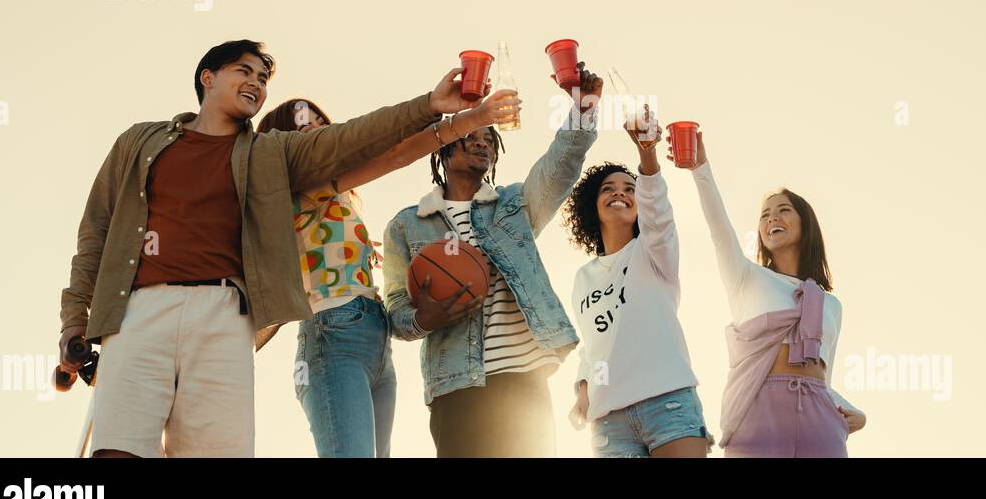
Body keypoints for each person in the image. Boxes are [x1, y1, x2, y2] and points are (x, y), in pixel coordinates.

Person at [57, 39, 479, 457]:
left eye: (263, 78)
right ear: (208, 77)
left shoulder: (269, 156)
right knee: (117, 452)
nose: (256, 84)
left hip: (230, 314)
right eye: (244, 71)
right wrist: (74, 318)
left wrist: (434, 107)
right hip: (140, 310)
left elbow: (358, 140)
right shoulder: (142, 142)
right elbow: (96, 227)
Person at [258, 89, 518, 457]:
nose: (319, 133)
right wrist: (469, 119)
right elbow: (394, 155)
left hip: (375, 336)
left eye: (322, 124)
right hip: (332, 333)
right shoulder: (302, 187)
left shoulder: (340, 201)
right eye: (305, 127)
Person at [382, 62, 603, 457]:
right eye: (471, 135)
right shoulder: (406, 227)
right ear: (444, 147)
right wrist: (423, 319)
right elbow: (397, 312)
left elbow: (560, 166)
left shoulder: (514, 205)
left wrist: (581, 112)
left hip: (522, 379)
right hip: (454, 385)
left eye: (489, 138)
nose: (483, 143)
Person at [673, 128, 867, 458]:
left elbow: (824, 377)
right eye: (765, 215)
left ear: (806, 223)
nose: (772, 218)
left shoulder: (831, 305)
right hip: (759, 416)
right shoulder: (747, 278)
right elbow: (719, 228)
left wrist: (855, 412)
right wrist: (699, 167)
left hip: (820, 422)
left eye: (783, 210)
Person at [564, 105, 712, 457]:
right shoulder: (583, 279)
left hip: (668, 403)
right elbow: (594, 345)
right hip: (608, 422)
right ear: (592, 206)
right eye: (608, 189)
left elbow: (658, 212)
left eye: (630, 188)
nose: (620, 192)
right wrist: (583, 393)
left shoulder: (654, 250)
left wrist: (647, 155)